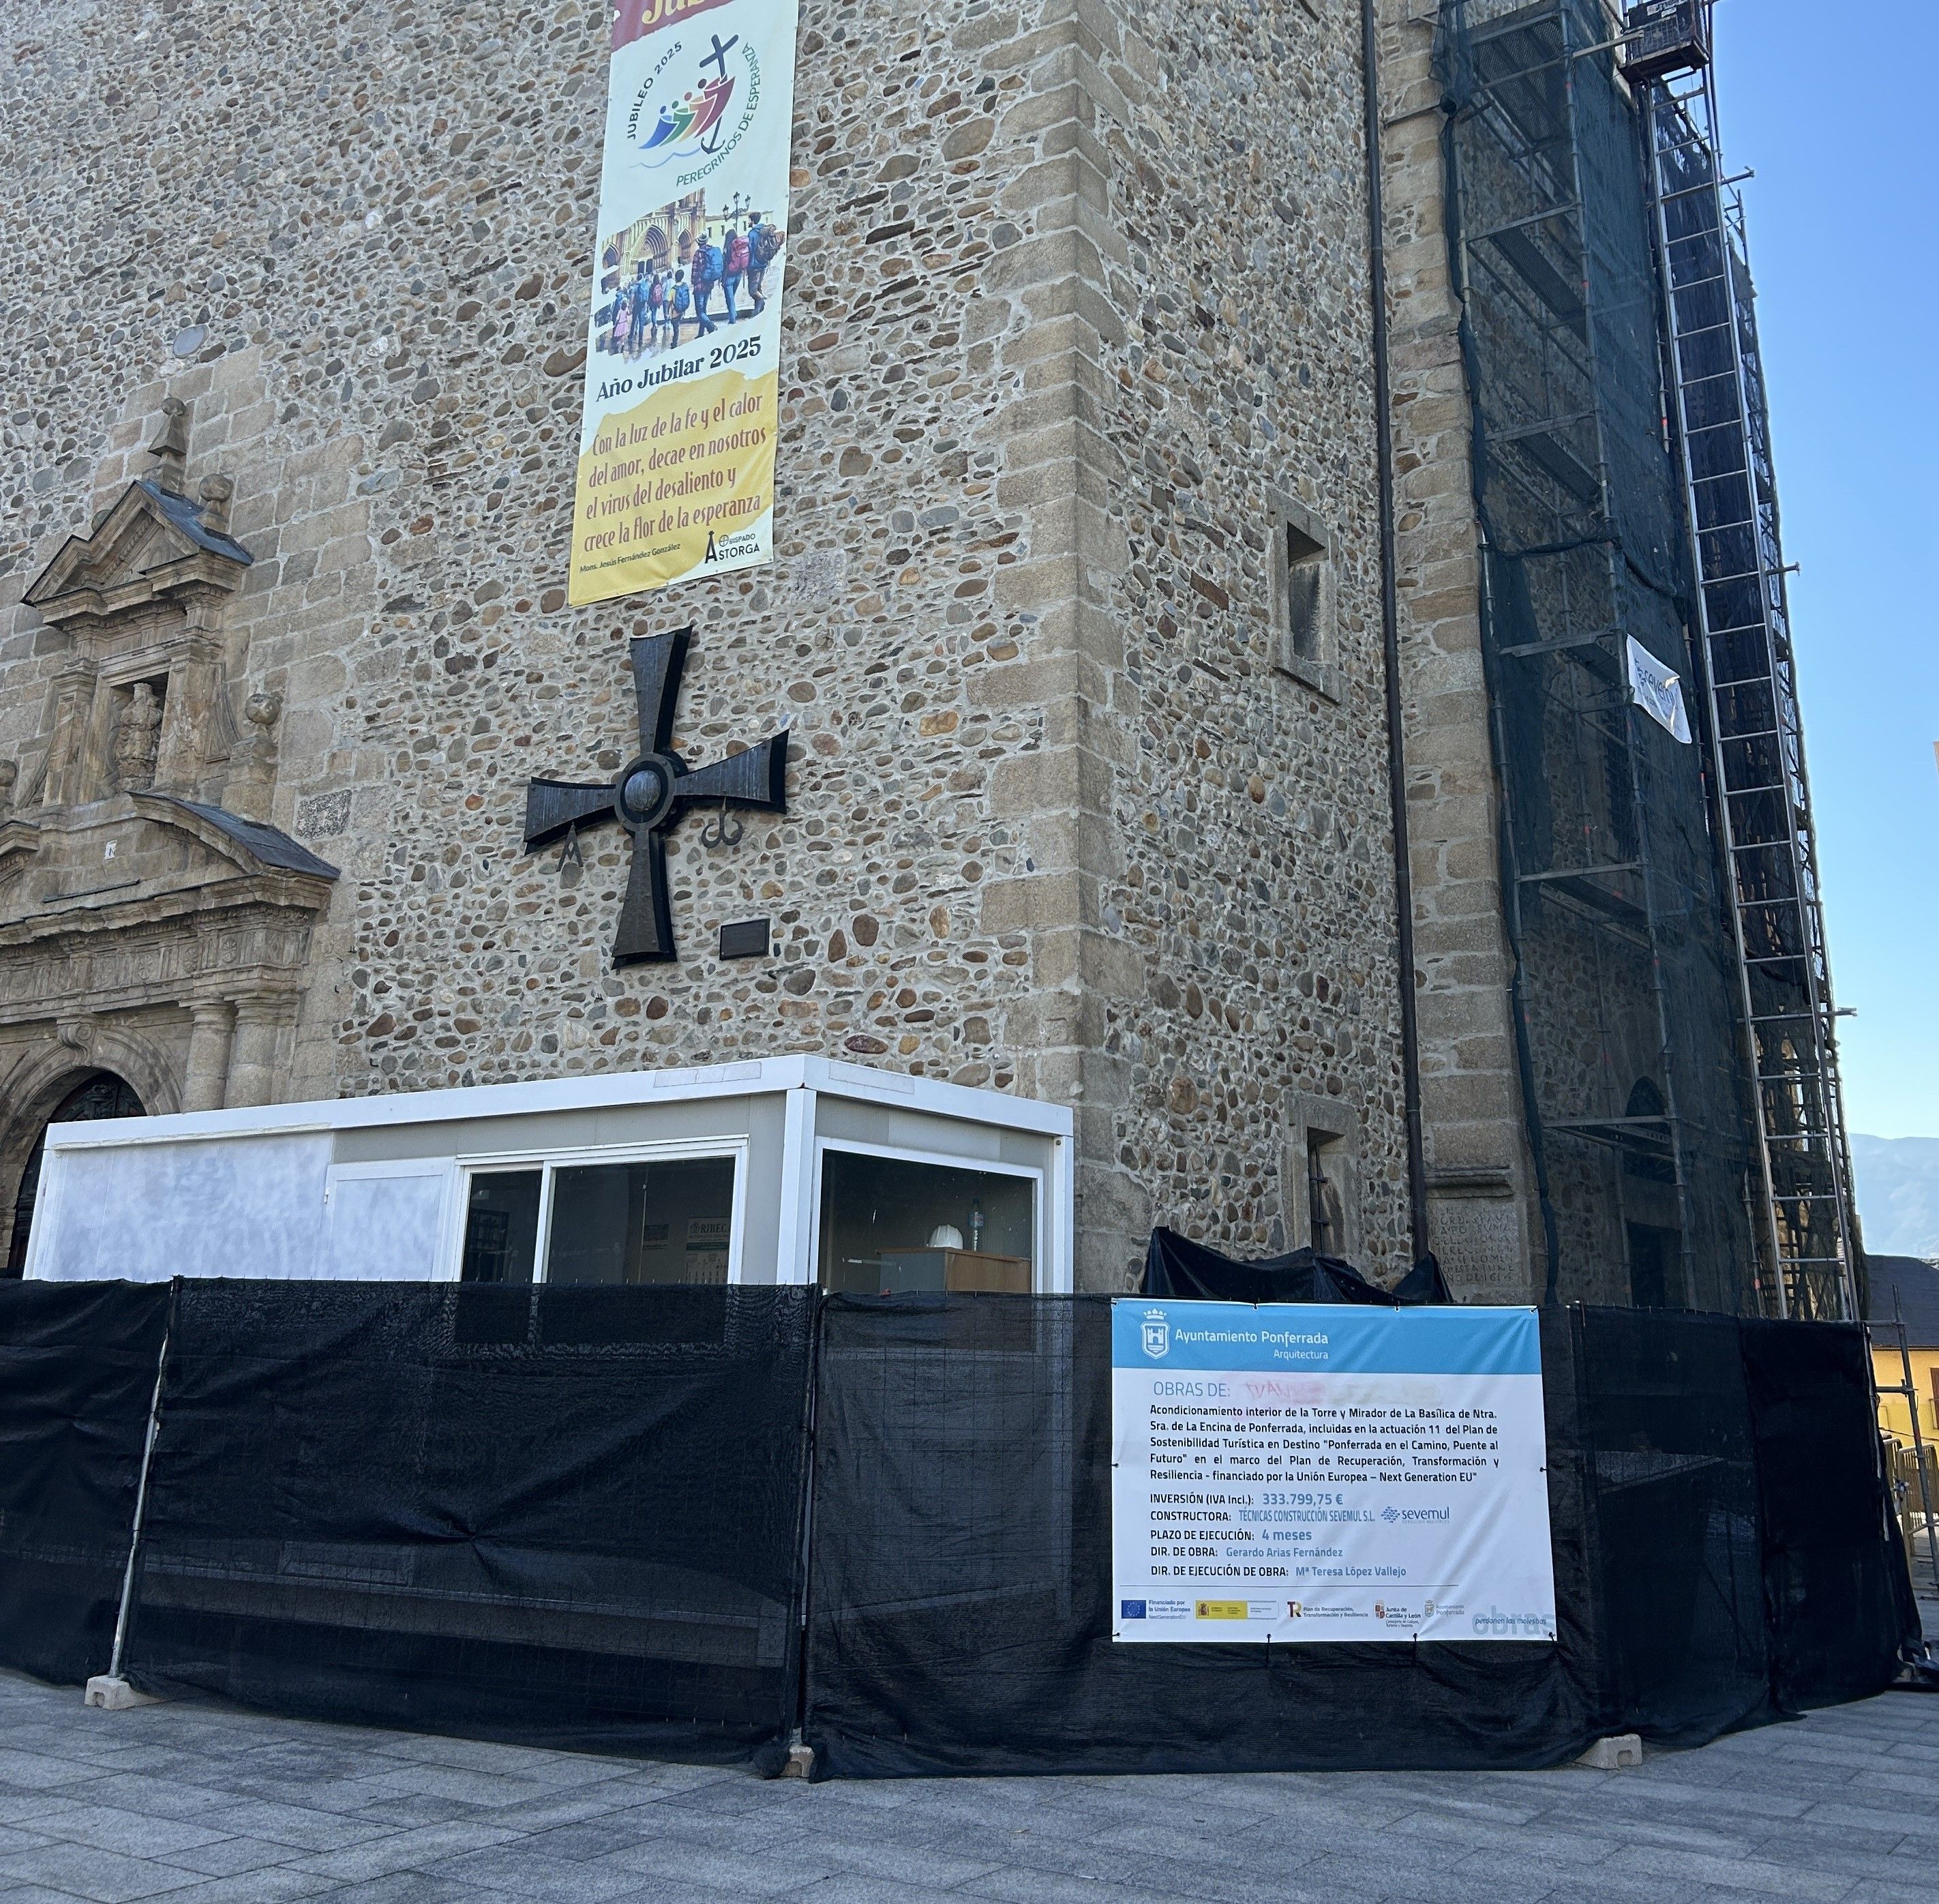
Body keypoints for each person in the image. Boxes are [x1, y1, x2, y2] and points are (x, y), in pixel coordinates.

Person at [747, 211, 781, 316]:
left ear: (752, 221)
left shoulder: (752, 234)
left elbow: (750, 250)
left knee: (753, 291)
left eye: (749, 220)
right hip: (763, 263)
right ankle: (758, 312)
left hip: (754, 265)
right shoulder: (764, 231)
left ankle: (762, 301)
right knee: (758, 287)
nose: (748, 222)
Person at [690, 229, 721, 336]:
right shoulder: (711, 251)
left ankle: (712, 327)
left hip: (699, 287)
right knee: (703, 310)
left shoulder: (698, 254)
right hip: (709, 285)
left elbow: (695, 271)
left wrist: (694, 283)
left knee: (700, 312)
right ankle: (701, 333)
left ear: (699, 243)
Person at [722, 218, 749, 324]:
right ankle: (733, 314)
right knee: (731, 297)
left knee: (730, 299)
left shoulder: (728, 248)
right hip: (739, 275)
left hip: (729, 276)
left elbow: (725, 262)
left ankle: (733, 319)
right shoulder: (740, 247)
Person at [627, 262, 649, 358]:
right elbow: (647, 297)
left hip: (637, 306)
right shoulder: (646, 285)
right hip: (643, 305)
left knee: (634, 322)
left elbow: (632, 298)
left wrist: (630, 307)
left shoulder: (636, 286)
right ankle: (640, 339)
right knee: (641, 322)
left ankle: (631, 336)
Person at [670, 268, 691, 346]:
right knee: (677, 326)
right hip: (682, 310)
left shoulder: (673, 289)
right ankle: (675, 342)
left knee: (675, 328)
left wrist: (667, 312)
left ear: (675, 278)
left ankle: (674, 343)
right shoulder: (685, 286)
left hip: (675, 311)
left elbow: (669, 302)